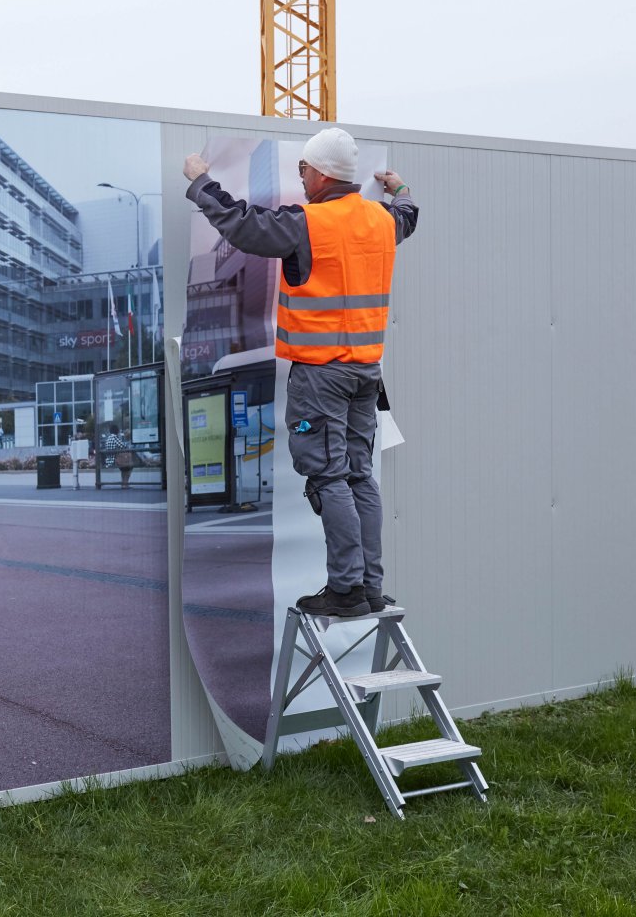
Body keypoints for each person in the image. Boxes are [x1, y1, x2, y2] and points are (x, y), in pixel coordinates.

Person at [184, 127, 418, 618]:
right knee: (359, 477)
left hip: (320, 374)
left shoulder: (308, 223)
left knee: (328, 478)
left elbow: (242, 226)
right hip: (365, 372)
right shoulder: (380, 219)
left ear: (320, 172)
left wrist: (201, 182)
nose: (301, 178)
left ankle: (346, 590)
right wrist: (399, 189)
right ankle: (370, 587)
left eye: (303, 170)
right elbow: (407, 215)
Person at [102, 423, 132, 489]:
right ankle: (125, 484)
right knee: (129, 467)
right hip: (115, 460)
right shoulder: (114, 437)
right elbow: (123, 446)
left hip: (109, 459)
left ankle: (124, 484)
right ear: (116, 430)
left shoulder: (109, 438)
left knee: (124, 469)